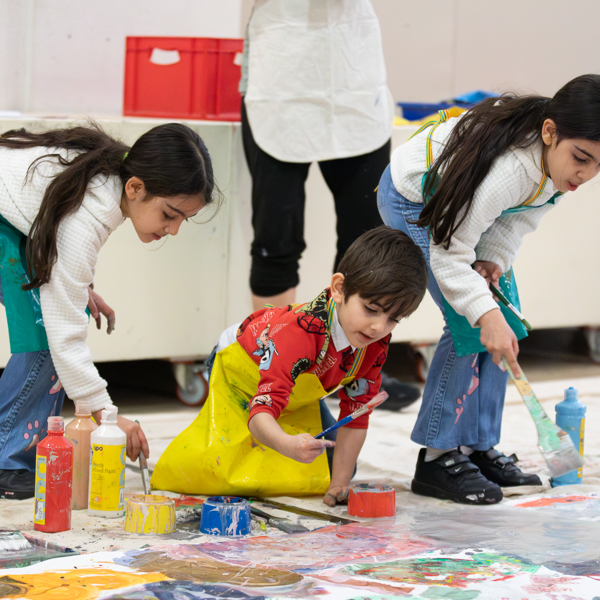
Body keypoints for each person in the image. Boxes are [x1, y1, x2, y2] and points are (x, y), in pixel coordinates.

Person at [377, 74, 600, 504]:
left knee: (506, 322)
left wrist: (494, 260)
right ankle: (438, 457)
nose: (586, 174)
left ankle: (477, 446)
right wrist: (483, 313)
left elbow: (519, 217)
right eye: (581, 158)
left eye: (597, 165)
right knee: (468, 323)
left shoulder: (555, 166)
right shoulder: (511, 168)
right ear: (550, 132)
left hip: (466, 211)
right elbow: (448, 250)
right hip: (416, 199)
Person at [0, 122, 217, 499]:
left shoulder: (111, 179)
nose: (174, 230)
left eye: (184, 218)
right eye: (170, 214)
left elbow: (52, 232)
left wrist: (78, 287)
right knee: (47, 334)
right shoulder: (89, 214)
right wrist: (107, 414)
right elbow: (64, 335)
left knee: (57, 318)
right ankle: (8, 458)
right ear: (135, 188)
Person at [151, 226, 428, 506]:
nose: (379, 327)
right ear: (340, 289)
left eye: (394, 319)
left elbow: (356, 416)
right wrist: (286, 444)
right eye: (371, 309)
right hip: (240, 372)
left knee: (335, 466)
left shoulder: (375, 342)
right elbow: (261, 412)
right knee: (221, 470)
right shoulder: (297, 335)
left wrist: (340, 484)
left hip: (292, 390)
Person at [241, 0, 420, 410]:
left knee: (367, 238)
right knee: (276, 234)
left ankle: (353, 368)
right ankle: (275, 368)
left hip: (351, 68)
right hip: (283, 70)